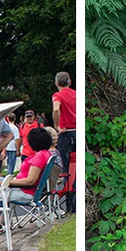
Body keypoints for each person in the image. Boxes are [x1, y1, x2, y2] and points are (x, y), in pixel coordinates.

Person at [51, 72, 75, 212]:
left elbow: (56, 109)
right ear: (69, 81)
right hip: (77, 131)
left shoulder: (58, 95)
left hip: (65, 133)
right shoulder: (75, 94)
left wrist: (56, 126)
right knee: (76, 168)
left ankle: (70, 206)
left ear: (57, 83)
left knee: (66, 170)